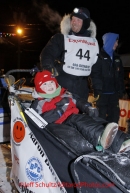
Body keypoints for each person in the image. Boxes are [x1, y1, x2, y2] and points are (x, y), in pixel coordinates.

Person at [31, 70, 130, 154]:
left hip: (74, 117)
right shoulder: (39, 102)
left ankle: (122, 140)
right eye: (45, 84)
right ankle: (100, 138)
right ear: (39, 88)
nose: (49, 86)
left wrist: (87, 107)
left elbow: (78, 100)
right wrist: (59, 110)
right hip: (60, 124)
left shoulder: (65, 93)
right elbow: (38, 120)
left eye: (51, 82)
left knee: (96, 120)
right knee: (79, 119)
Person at [40, 7, 99, 100]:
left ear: (86, 23)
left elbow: (96, 68)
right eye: (73, 19)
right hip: (63, 85)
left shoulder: (93, 43)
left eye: (78, 20)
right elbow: (48, 53)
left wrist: (97, 87)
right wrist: (48, 68)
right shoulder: (61, 38)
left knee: (78, 114)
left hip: (82, 89)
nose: (74, 22)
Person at [90, 32, 125, 123]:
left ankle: (113, 136)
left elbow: (120, 76)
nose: (117, 44)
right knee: (101, 118)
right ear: (109, 42)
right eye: (115, 42)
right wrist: (97, 90)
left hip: (113, 94)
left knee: (114, 117)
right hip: (102, 94)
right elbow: (95, 74)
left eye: (117, 42)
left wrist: (121, 90)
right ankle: (100, 136)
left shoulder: (117, 58)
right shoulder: (99, 57)